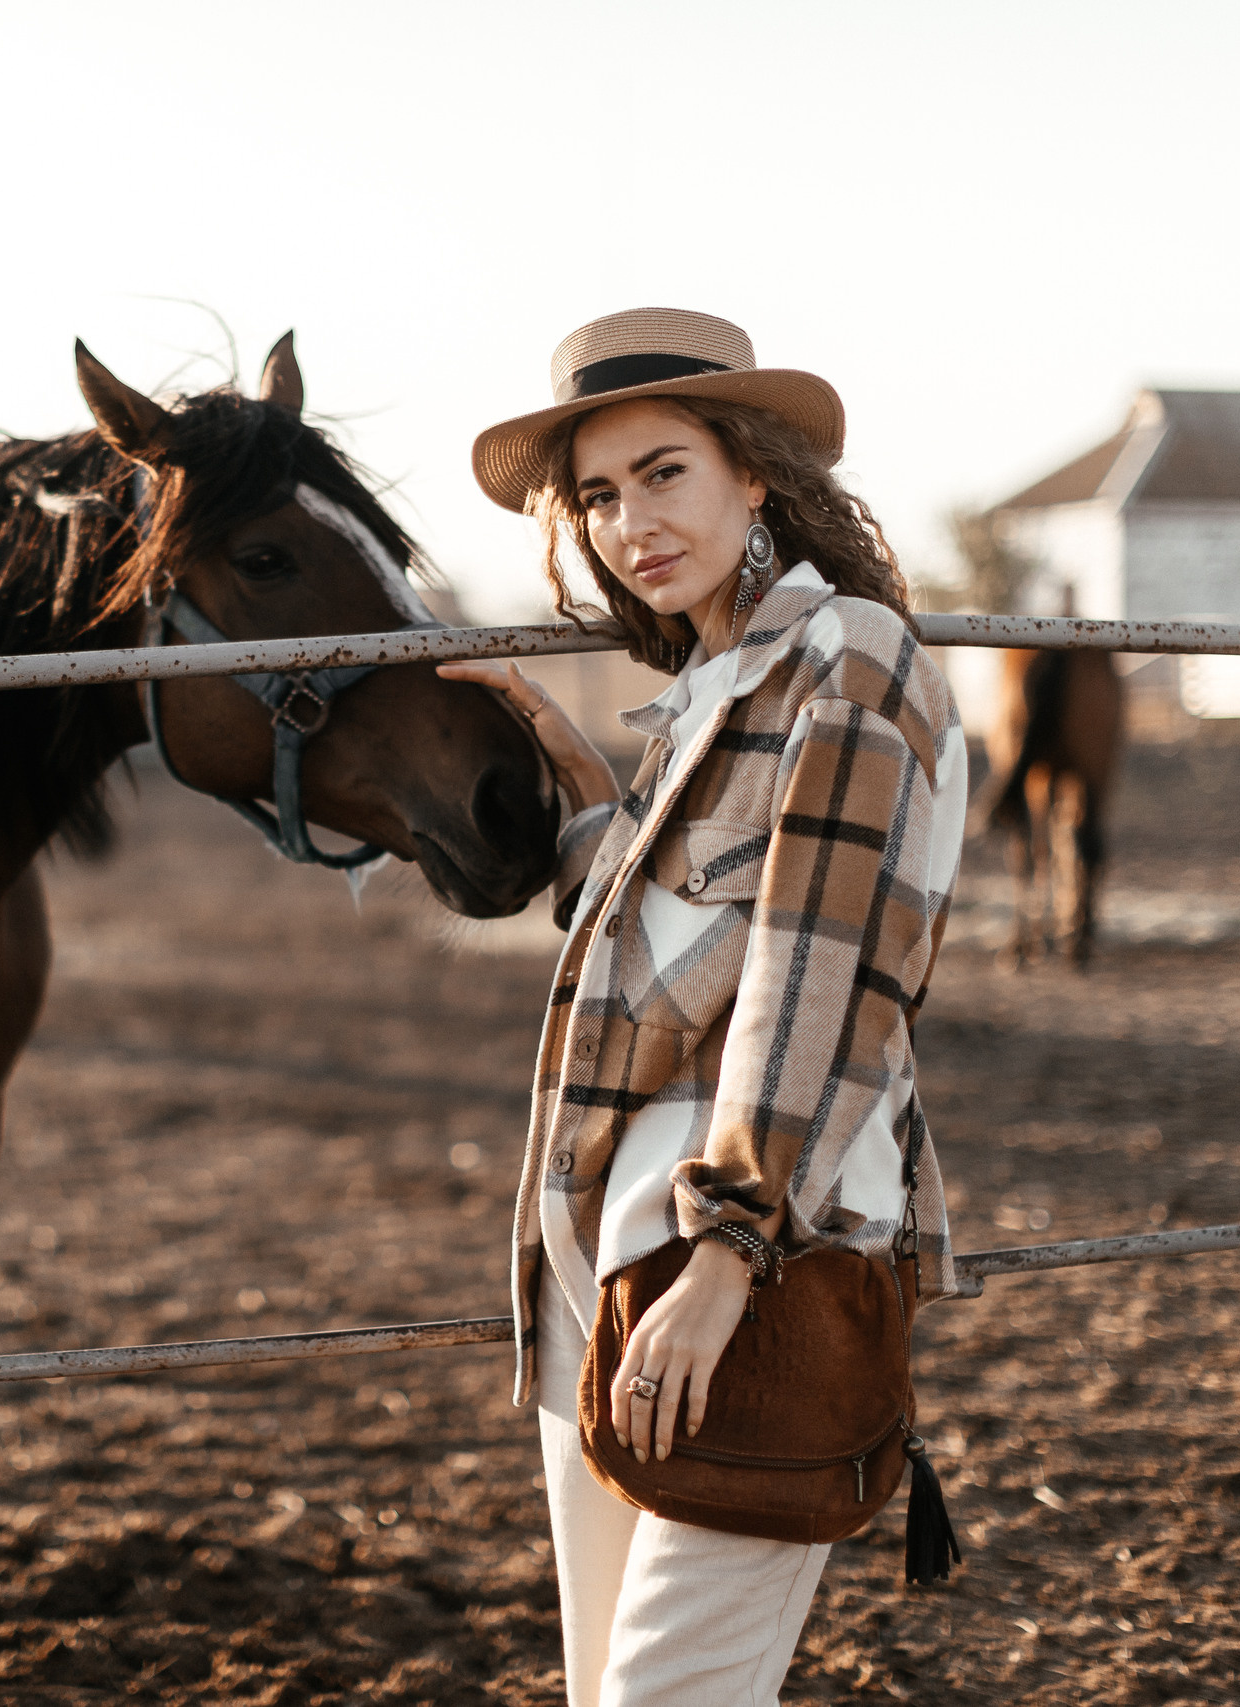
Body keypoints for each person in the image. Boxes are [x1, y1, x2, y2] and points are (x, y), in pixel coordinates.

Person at [440, 308, 968, 1707]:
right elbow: (674, 946)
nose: (630, 524)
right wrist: (563, 757)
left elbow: (822, 983)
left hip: (749, 1271)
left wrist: (728, 1257)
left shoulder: (849, 660)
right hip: (601, 1269)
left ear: (757, 472)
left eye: (664, 472)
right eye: (598, 496)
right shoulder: (705, 691)